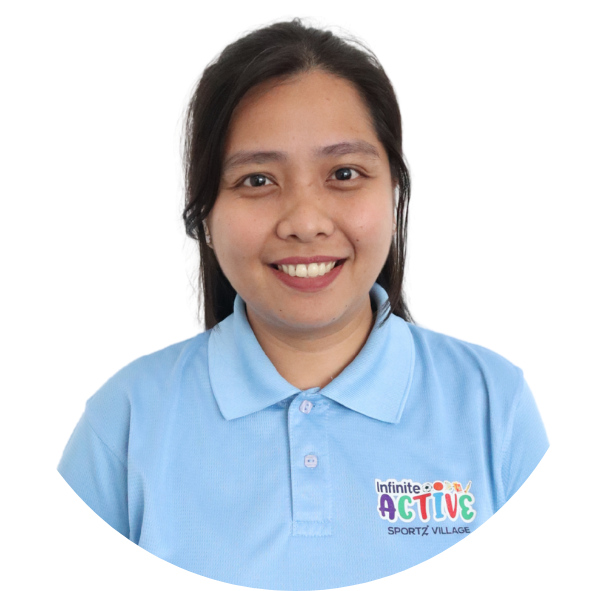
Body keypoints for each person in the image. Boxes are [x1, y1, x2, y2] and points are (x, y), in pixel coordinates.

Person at [57, 17, 549, 591]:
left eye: (344, 173)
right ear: (205, 213)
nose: (306, 223)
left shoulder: (494, 407)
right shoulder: (124, 424)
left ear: (394, 191)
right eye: (257, 180)